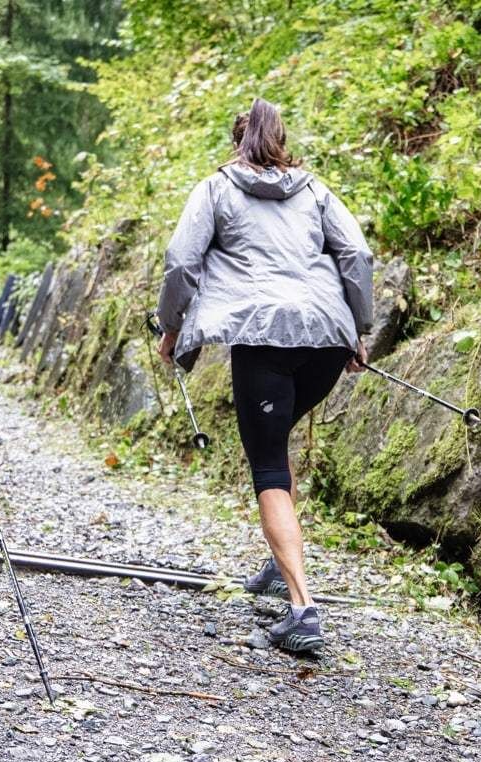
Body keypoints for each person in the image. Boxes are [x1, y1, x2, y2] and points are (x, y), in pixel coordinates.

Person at [156, 98, 373, 653]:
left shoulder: (216, 189)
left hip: (263, 338)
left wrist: (171, 326)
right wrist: (359, 328)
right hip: (325, 339)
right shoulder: (315, 190)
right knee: (278, 442)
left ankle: (302, 608)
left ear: (238, 141)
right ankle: (279, 568)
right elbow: (356, 254)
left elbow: (182, 260)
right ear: (282, 141)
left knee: (269, 464)